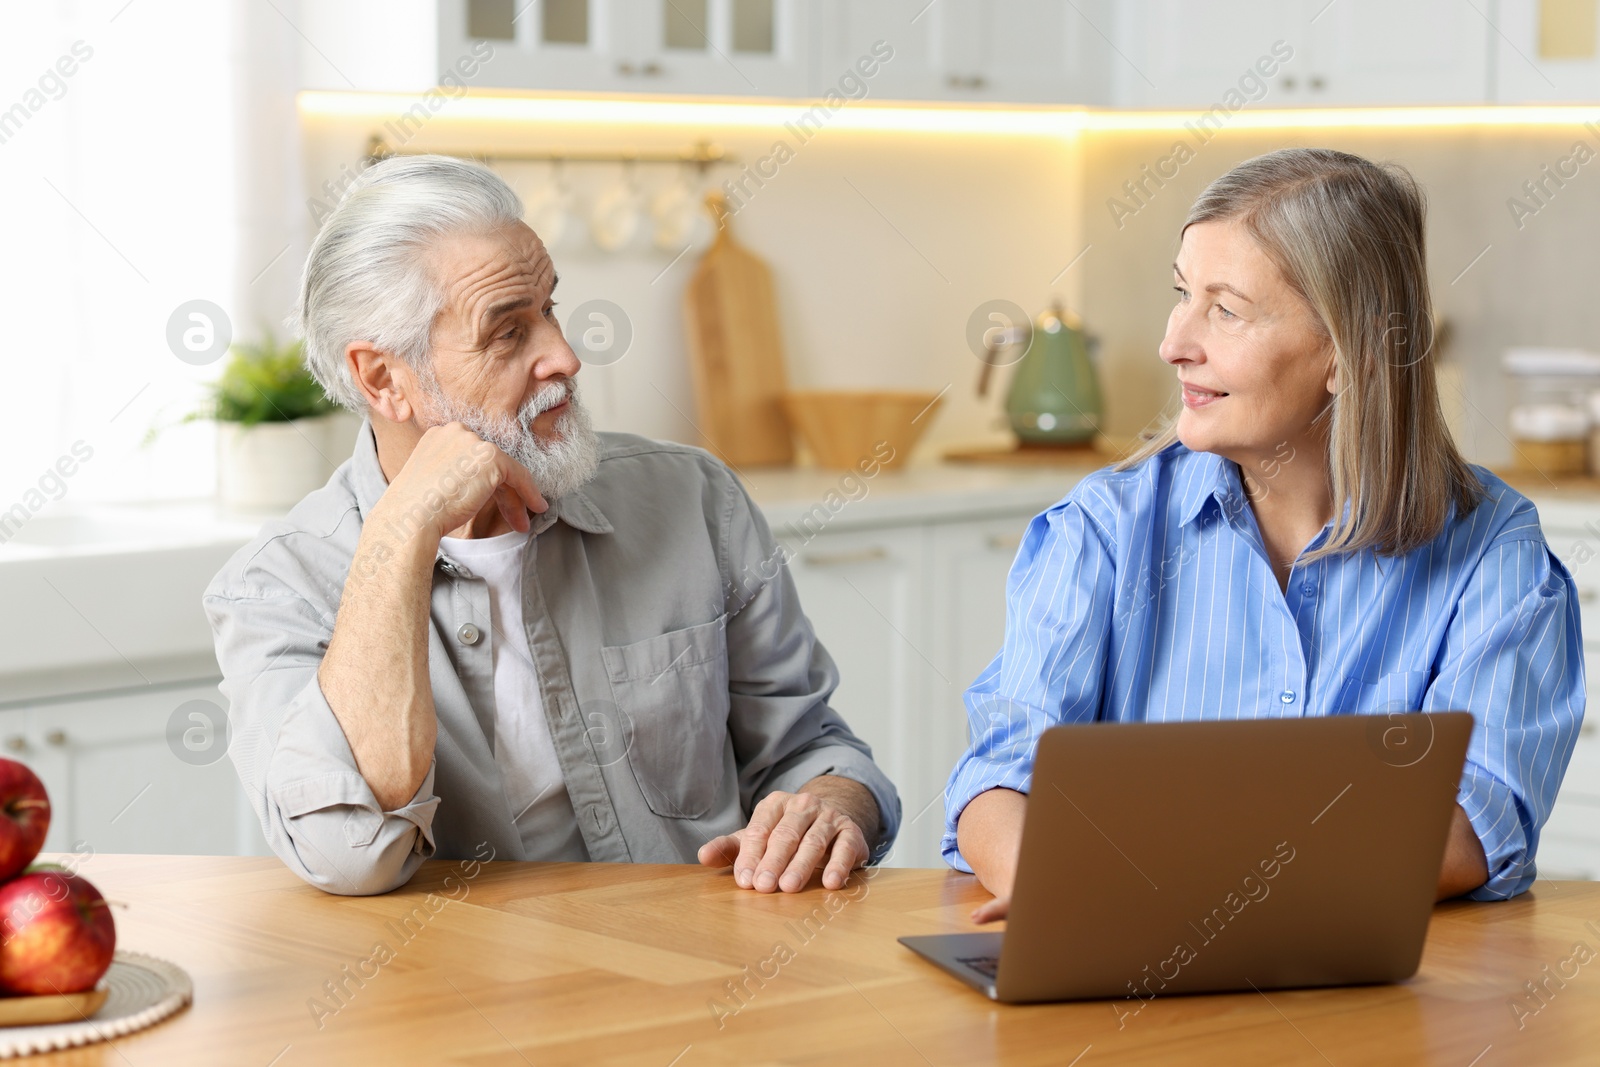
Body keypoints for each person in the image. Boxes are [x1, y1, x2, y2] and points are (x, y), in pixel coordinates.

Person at [204, 155, 899, 895]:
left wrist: (832, 803)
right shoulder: (273, 589)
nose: (563, 356)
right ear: (383, 379)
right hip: (443, 1001)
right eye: (508, 333)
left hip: (696, 976)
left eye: (550, 310)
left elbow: (810, 749)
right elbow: (346, 853)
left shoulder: (695, 499)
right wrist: (401, 528)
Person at [943, 148, 1584, 921]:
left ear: (1350, 353)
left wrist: (1201, 886)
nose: (1174, 342)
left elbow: (1476, 821)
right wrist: (1052, 880)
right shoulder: (1103, 531)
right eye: (1181, 294)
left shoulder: (1493, 552)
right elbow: (1000, 774)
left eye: (1226, 309)